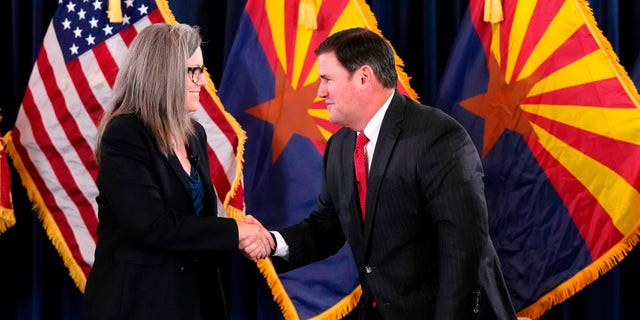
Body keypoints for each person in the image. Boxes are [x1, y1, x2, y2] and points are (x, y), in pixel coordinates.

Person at [241, 27, 517, 319]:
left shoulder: (437, 138)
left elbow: (464, 252)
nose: (320, 91)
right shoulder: (340, 146)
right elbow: (326, 227)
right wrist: (272, 242)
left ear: (363, 78)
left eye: (326, 79)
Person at [83, 23, 274, 320]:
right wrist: (235, 231)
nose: (202, 82)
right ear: (164, 74)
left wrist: (240, 233)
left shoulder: (194, 133)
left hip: (196, 299)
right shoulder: (125, 134)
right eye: (193, 71)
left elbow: (197, 218)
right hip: (139, 304)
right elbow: (152, 225)